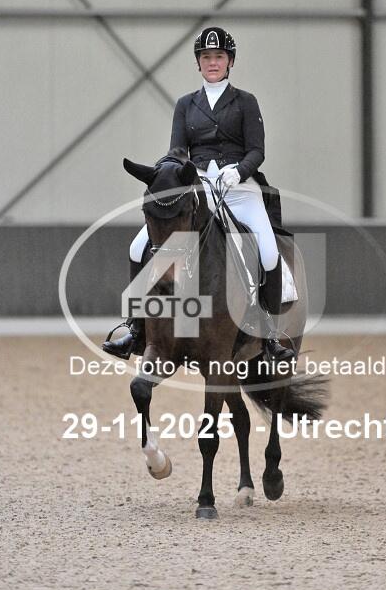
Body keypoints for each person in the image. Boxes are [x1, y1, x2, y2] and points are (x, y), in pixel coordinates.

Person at [103, 26, 295, 362]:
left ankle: (269, 335)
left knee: (267, 251)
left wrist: (239, 171)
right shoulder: (185, 104)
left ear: (230, 61)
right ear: (198, 62)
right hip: (200, 186)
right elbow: (177, 150)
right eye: (206, 57)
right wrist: (167, 172)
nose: (212, 62)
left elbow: (257, 150)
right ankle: (135, 328)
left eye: (219, 56)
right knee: (137, 246)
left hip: (240, 189)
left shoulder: (245, 102)